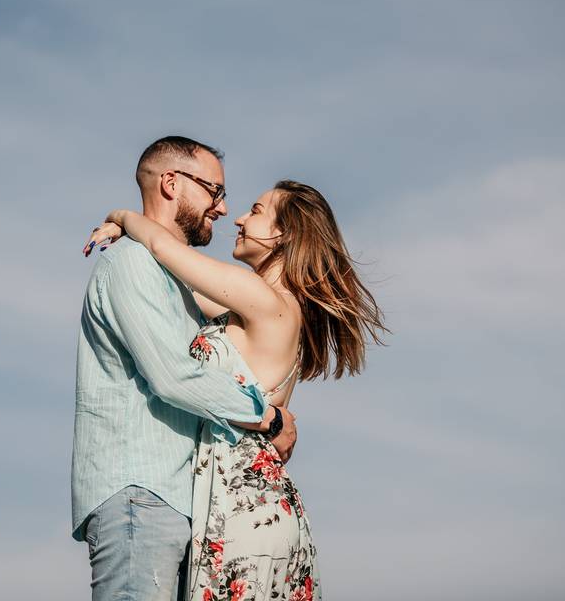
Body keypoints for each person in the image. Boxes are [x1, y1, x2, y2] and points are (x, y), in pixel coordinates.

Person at [87, 179, 389, 600]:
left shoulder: (262, 299)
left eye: (257, 210)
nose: (241, 219)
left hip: (242, 507)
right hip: (245, 502)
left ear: (283, 234)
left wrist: (119, 217)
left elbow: (163, 250)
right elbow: (177, 282)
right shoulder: (259, 306)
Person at [72, 136, 299, 601]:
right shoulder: (134, 265)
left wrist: (122, 221)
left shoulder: (181, 281)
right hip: (142, 491)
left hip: (187, 502)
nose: (224, 208)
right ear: (171, 184)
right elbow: (175, 375)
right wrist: (269, 418)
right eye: (214, 190)